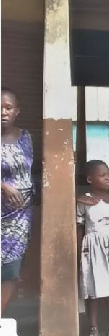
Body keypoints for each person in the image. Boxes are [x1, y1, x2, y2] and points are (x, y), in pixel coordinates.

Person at [77, 160, 109, 336]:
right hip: (92, 251)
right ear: (90, 179)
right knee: (92, 291)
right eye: (103, 175)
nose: (108, 178)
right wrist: (79, 255)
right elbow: (80, 229)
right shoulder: (83, 202)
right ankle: (93, 329)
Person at [1, 87, 35, 313]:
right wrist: (3, 186)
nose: (3, 112)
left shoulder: (26, 138)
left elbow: (30, 171)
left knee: (11, 269)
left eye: (8, 108)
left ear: (17, 112)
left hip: (21, 217)